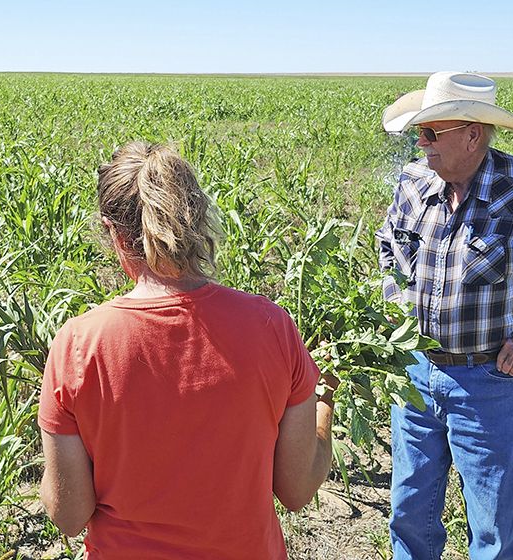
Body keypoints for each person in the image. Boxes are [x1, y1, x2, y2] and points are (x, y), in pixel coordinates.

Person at [37, 141, 336, 559]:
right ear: (196, 216)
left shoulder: (79, 345)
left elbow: (69, 516)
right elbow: (297, 489)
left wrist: (53, 479)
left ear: (114, 233)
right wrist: (324, 404)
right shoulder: (272, 327)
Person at [377, 71, 513, 560]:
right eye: (420, 131)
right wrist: (393, 299)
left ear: (473, 135)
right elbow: (388, 247)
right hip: (414, 375)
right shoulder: (413, 181)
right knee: (409, 514)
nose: (421, 141)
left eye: (432, 132)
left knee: (493, 531)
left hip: (489, 381)